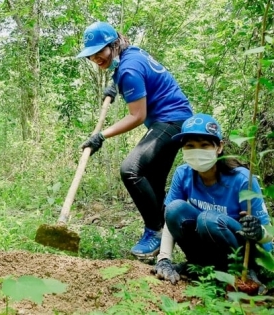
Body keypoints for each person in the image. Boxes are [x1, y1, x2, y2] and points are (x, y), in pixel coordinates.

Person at [77, 21, 193, 260]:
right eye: (91, 55)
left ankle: (155, 230)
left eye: (100, 51)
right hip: (176, 119)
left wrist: (101, 136)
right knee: (152, 179)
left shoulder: (129, 70)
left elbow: (137, 116)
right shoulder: (131, 55)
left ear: (113, 44)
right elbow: (130, 72)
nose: (96, 58)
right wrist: (113, 85)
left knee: (131, 169)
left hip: (171, 121)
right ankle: (167, 237)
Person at [152, 113, 273, 284]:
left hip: (240, 252)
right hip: (206, 245)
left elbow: (268, 235)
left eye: (204, 145)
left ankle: (242, 275)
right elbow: (170, 218)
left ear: (219, 147)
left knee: (208, 219)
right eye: (190, 146)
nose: (197, 151)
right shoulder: (183, 174)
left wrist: (258, 232)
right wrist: (164, 259)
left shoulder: (242, 179)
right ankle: (201, 266)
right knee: (174, 208)